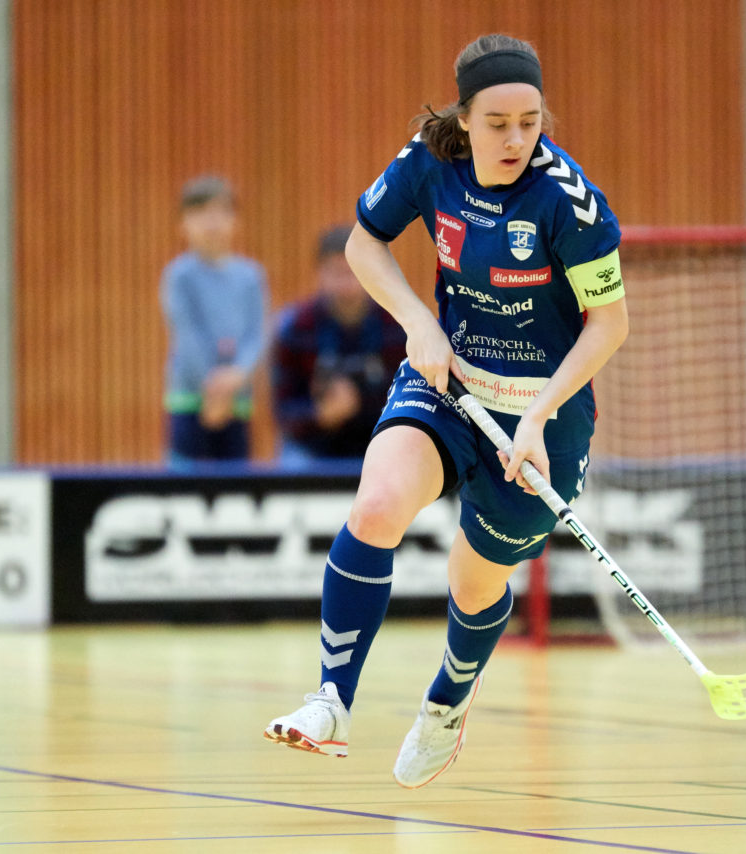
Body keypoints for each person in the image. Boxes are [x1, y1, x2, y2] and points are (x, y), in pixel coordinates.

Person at [263, 34, 629, 788]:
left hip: (544, 416)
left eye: (530, 122)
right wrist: (418, 323)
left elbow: (609, 325)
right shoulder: (429, 162)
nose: (516, 139)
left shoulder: (569, 201)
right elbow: (365, 245)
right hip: (448, 381)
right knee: (377, 506)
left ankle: (447, 704)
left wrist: (538, 417)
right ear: (463, 118)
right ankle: (331, 701)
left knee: (474, 583)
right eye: (497, 123)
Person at [272, 225, 407, 466]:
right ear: (319, 273)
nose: (347, 284)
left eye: (354, 272)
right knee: (291, 463)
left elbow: (412, 406)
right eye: (337, 273)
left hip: (380, 442)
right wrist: (320, 415)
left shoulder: (397, 328)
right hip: (312, 448)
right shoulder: (295, 328)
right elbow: (283, 412)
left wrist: (361, 405)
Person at [161, 175, 267, 466]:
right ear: (182, 224)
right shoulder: (179, 275)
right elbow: (186, 334)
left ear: (235, 220)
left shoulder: (251, 276)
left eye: (220, 212)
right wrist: (212, 387)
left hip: (237, 401)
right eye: (200, 212)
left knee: (235, 484)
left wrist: (237, 376)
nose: (211, 222)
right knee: (185, 484)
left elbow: (257, 335)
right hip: (189, 399)